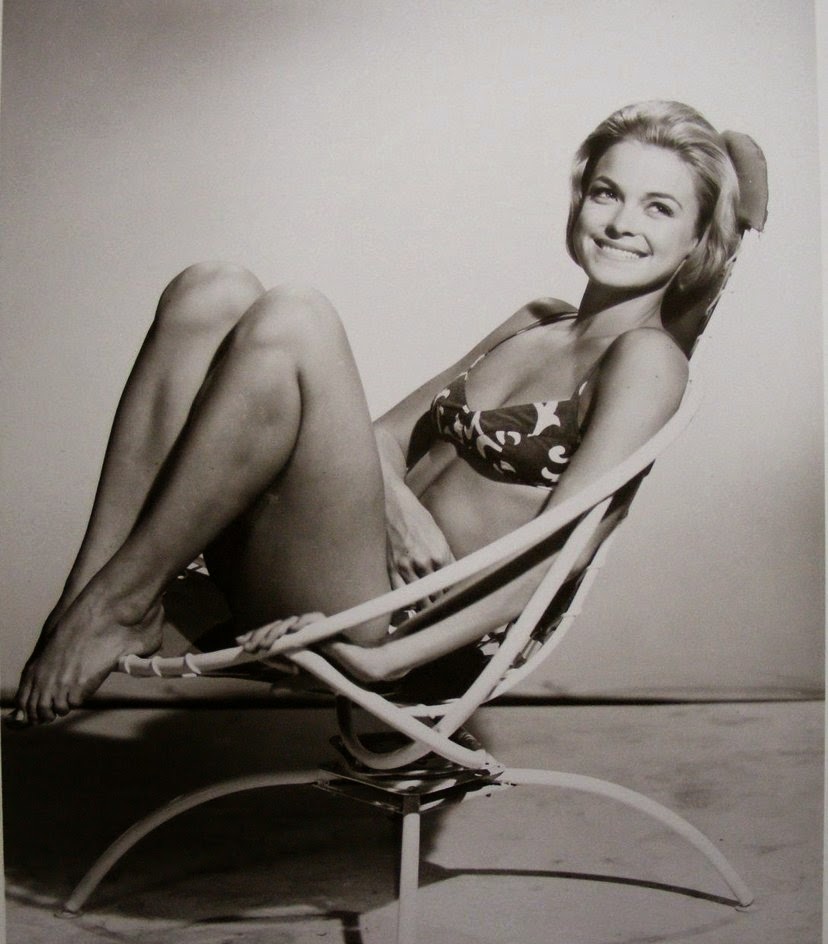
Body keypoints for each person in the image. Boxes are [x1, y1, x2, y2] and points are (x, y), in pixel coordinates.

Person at [11, 100, 740, 726]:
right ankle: (87, 601)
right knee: (211, 290)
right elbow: (383, 440)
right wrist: (400, 511)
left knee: (297, 316)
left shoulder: (647, 361)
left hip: (399, 625)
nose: (620, 222)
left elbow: (563, 549)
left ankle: (120, 604)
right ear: (579, 201)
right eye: (607, 193)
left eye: (660, 207)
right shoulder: (536, 321)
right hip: (338, 569)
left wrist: (390, 660)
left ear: (698, 242)